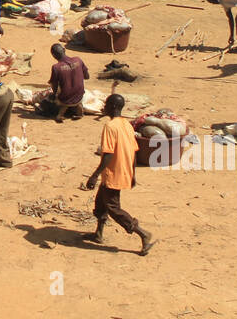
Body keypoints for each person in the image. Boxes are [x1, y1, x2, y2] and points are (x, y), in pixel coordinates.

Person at [83, 93, 156, 255]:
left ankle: (143, 234)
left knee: (113, 208)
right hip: (124, 171)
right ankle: (99, 234)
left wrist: (95, 175)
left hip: (113, 173)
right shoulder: (127, 125)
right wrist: (132, 174)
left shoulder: (110, 127)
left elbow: (108, 154)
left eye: (107, 104)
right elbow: (134, 152)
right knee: (101, 203)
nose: (104, 107)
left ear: (113, 107)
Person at [48, 43, 89, 122]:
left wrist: (53, 95)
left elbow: (54, 85)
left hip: (65, 99)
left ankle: (60, 115)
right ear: (64, 50)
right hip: (79, 95)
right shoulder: (78, 60)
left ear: (53, 55)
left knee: (61, 99)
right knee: (75, 96)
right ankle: (79, 112)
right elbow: (87, 76)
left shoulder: (56, 67)